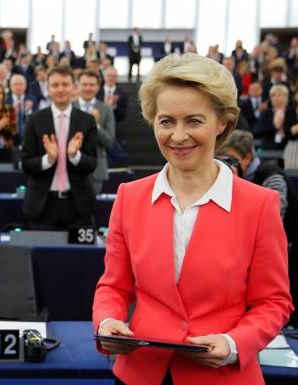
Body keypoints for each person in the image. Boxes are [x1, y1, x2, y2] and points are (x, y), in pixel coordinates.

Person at [93, 53, 293, 385]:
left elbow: (273, 302)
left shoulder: (260, 205)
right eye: (166, 121)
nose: (178, 135)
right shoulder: (129, 196)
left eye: (194, 121)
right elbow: (113, 285)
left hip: (223, 377)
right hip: (141, 375)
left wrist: (233, 343)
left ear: (223, 124)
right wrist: (107, 321)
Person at [216, 130, 298, 326]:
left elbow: (274, 217)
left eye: (231, 159)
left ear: (247, 158)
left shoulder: (271, 175)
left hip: (287, 254)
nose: (226, 165)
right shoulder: (222, 179)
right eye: (219, 159)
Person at [21, 65, 98, 229]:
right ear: (48, 89)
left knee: (79, 255)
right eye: (55, 85)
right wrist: (48, 159)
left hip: (78, 205)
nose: (60, 89)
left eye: (65, 84)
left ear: (74, 88)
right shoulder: (34, 120)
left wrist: (74, 155)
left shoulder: (87, 121)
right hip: (42, 205)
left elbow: (91, 164)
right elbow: (26, 164)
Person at [74, 69, 116, 194]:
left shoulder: (106, 109)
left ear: (98, 87)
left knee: (93, 211)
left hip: (96, 170)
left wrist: (96, 125)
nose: (88, 88)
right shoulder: (70, 107)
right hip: (72, 168)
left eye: (92, 85)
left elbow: (109, 142)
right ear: (78, 85)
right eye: (84, 84)